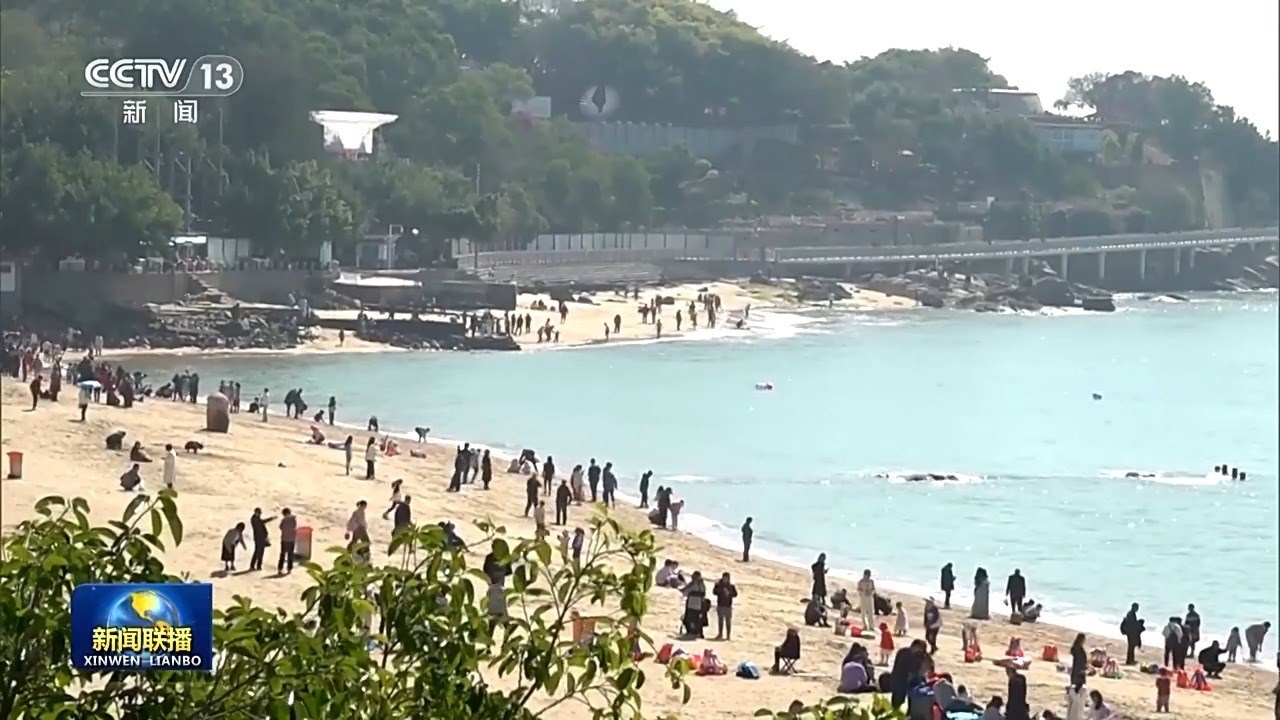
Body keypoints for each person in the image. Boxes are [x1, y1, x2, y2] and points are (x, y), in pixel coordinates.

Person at [713, 572, 737, 640]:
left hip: (728, 606)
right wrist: (721, 590)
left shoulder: (731, 586)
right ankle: (720, 634)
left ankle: (728, 635)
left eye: (726, 578)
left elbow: (735, 594)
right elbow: (714, 592)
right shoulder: (718, 585)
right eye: (724, 578)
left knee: (728, 621)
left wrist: (729, 593)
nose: (725, 579)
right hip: (720, 605)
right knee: (720, 621)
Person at [277, 508, 297, 575]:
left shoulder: (284, 520)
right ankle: (289, 569)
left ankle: (280, 569)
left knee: (282, 554)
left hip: (284, 539)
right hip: (291, 539)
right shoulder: (293, 519)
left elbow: (280, 527)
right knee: (290, 555)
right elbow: (294, 526)